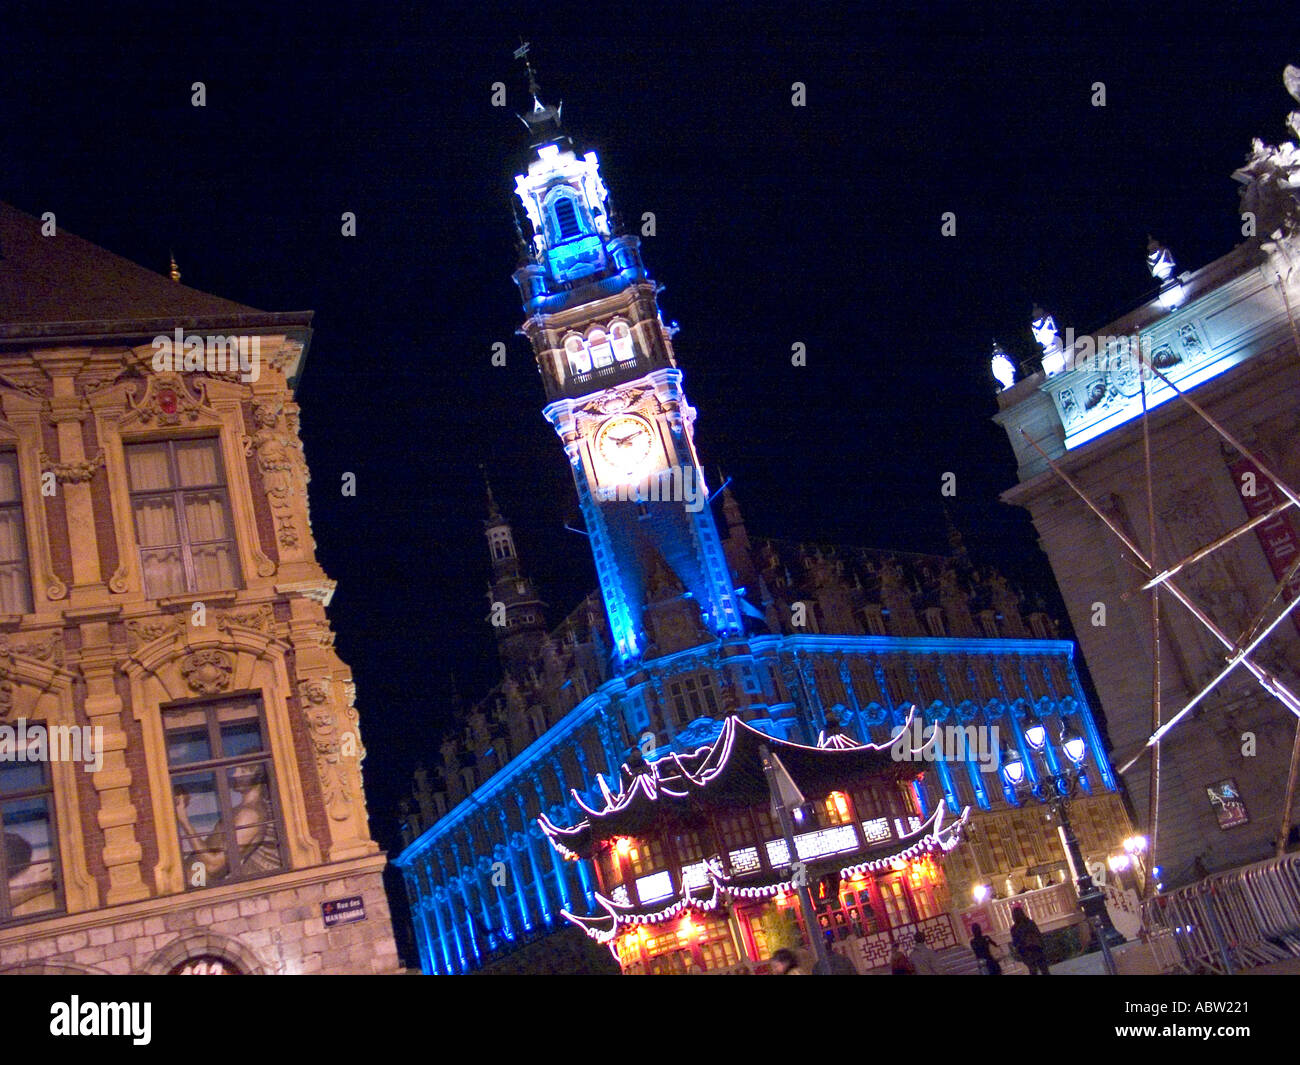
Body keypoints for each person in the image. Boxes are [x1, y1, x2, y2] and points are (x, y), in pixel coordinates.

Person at [1010, 907, 1050, 975]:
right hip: (1035, 948)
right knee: (1043, 969)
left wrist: (1019, 950)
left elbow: (1015, 942)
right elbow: (1038, 934)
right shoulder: (1030, 923)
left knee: (1034, 970)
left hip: (1028, 950)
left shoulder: (1015, 928)